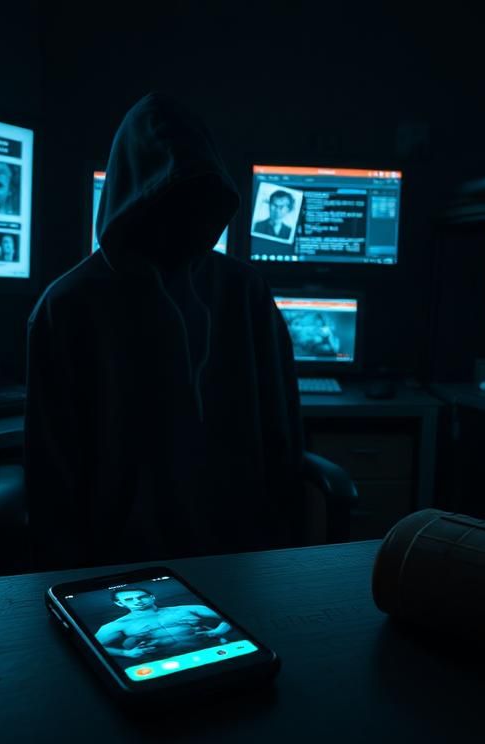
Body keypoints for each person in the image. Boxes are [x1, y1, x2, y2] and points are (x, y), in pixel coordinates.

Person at [25, 93, 304, 570]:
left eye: (194, 197)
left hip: (242, 558)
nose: (179, 217)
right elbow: (53, 472)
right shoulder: (67, 307)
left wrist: (282, 551)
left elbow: (283, 432)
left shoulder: (245, 292)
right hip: (117, 571)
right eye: (166, 197)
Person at [95, 588, 231, 660]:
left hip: (213, 652)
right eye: (129, 599)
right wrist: (126, 653)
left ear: (152, 597)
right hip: (165, 663)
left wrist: (219, 631)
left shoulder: (189, 608)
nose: (138, 601)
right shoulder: (116, 625)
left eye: (142, 596)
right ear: (120, 603)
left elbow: (230, 615)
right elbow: (94, 647)